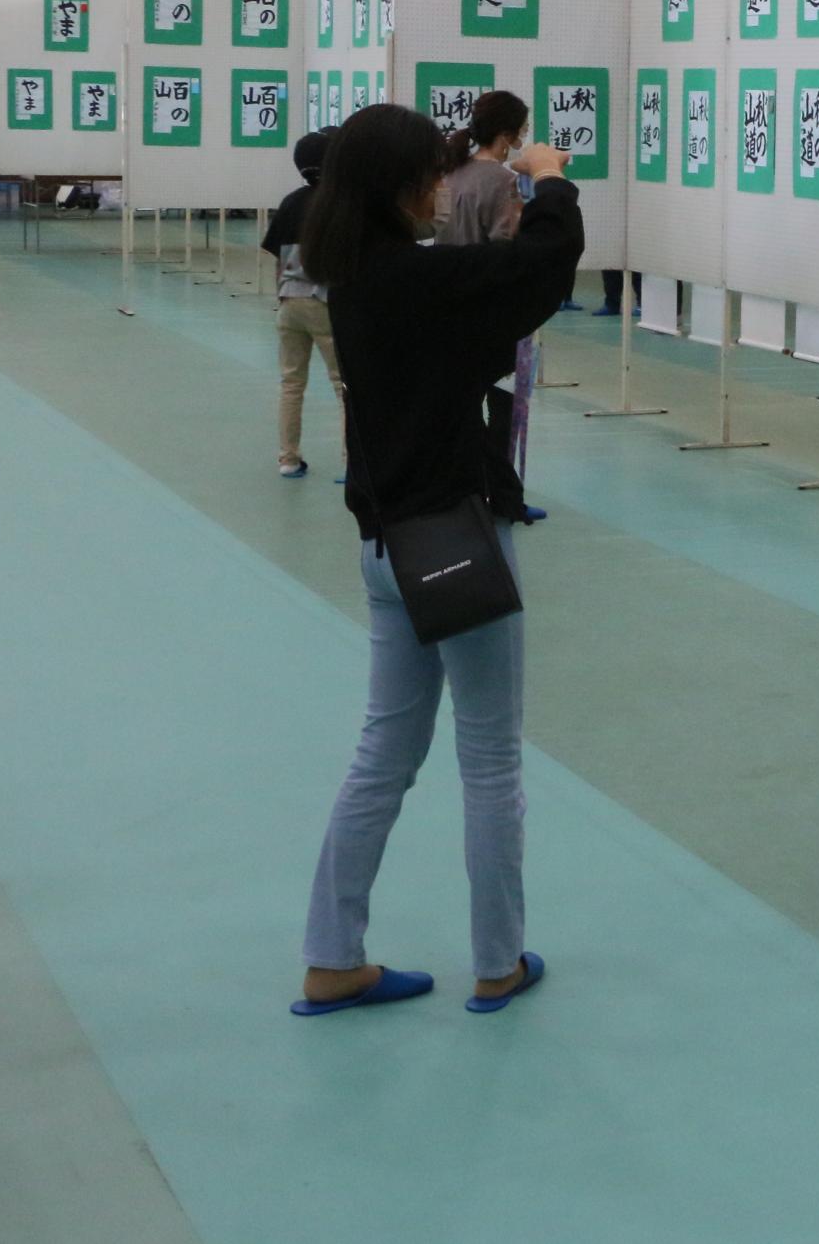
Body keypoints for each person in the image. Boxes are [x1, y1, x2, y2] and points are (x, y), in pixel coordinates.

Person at [291, 104, 581, 1019]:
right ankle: (497, 961)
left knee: (383, 752)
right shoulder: (416, 282)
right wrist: (550, 179)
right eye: (429, 175)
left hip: (387, 547)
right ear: (396, 187)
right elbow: (539, 265)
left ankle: (332, 957)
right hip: (455, 540)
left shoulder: (356, 281)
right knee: (490, 755)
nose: (440, 189)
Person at [437, 92, 547, 525]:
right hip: (493, 308)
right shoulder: (502, 182)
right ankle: (503, 496)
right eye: (521, 129)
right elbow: (506, 246)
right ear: (507, 135)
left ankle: (469, 488)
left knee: (461, 404)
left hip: (450, 303)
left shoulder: (452, 175)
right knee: (502, 408)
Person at [261, 130, 343, 479]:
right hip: (324, 302)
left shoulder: (291, 201)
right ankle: (355, 464)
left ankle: (288, 459)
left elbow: (277, 256)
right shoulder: (339, 203)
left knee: (292, 384)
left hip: (289, 302)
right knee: (345, 387)